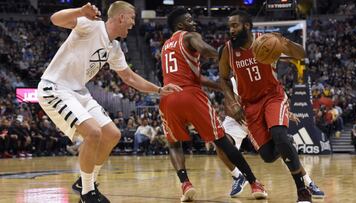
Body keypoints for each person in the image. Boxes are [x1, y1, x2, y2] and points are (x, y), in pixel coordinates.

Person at [37, 1, 181, 202]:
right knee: (93, 133)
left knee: (112, 134)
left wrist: (158, 89)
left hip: (79, 91)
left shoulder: (114, 47)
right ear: (121, 17)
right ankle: (88, 193)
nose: (133, 23)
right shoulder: (92, 25)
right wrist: (80, 11)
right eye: (131, 17)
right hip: (55, 88)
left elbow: (129, 77)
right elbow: (55, 19)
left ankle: (85, 183)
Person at [160, 8, 265, 202]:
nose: (194, 23)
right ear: (181, 25)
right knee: (222, 141)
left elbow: (194, 76)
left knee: (174, 144)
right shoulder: (190, 35)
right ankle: (254, 183)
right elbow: (206, 50)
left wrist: (220, 86)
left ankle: (185, 184)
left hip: (168, 97)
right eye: (190, 20)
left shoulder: (166, 46)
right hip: (191, 96)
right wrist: (224, 56)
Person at [219, 10, 325, 203]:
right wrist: (232, 102)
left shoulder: (266, 41)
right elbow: (223, 79)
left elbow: (301, 55)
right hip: (249, 105)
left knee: (278, 133)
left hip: (272, 97)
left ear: (247, 26)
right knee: (268, 155)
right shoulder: (227, 50)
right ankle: (287, 141)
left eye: (234, 25)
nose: (231, 30)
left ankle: (302, 190)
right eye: (229, 26)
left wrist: (285, 42)